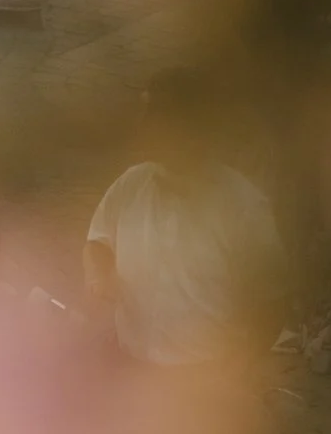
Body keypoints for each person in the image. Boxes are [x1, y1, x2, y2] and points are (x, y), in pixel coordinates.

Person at [87, 144, 282, 365]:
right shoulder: (130, 184)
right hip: (131, 363)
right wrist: (100, 275)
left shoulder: (244, 205)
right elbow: (98, 240)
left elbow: (272, 301)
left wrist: (244, 368)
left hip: (207, 374)